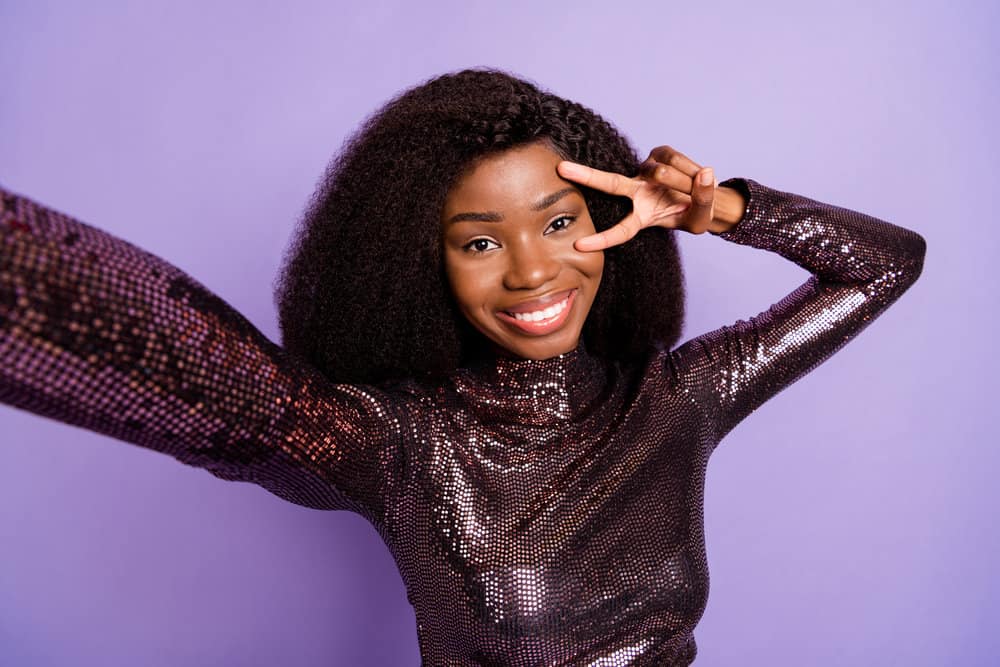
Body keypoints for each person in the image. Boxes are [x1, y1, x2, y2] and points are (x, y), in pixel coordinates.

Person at [0, 69, 925, 666]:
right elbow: (158, 344)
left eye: (561, 222)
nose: (534, 270)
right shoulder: (394, 441)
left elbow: (888, 262)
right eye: (480, 241)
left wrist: (718, 209)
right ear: (418, 262)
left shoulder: (678, 400)